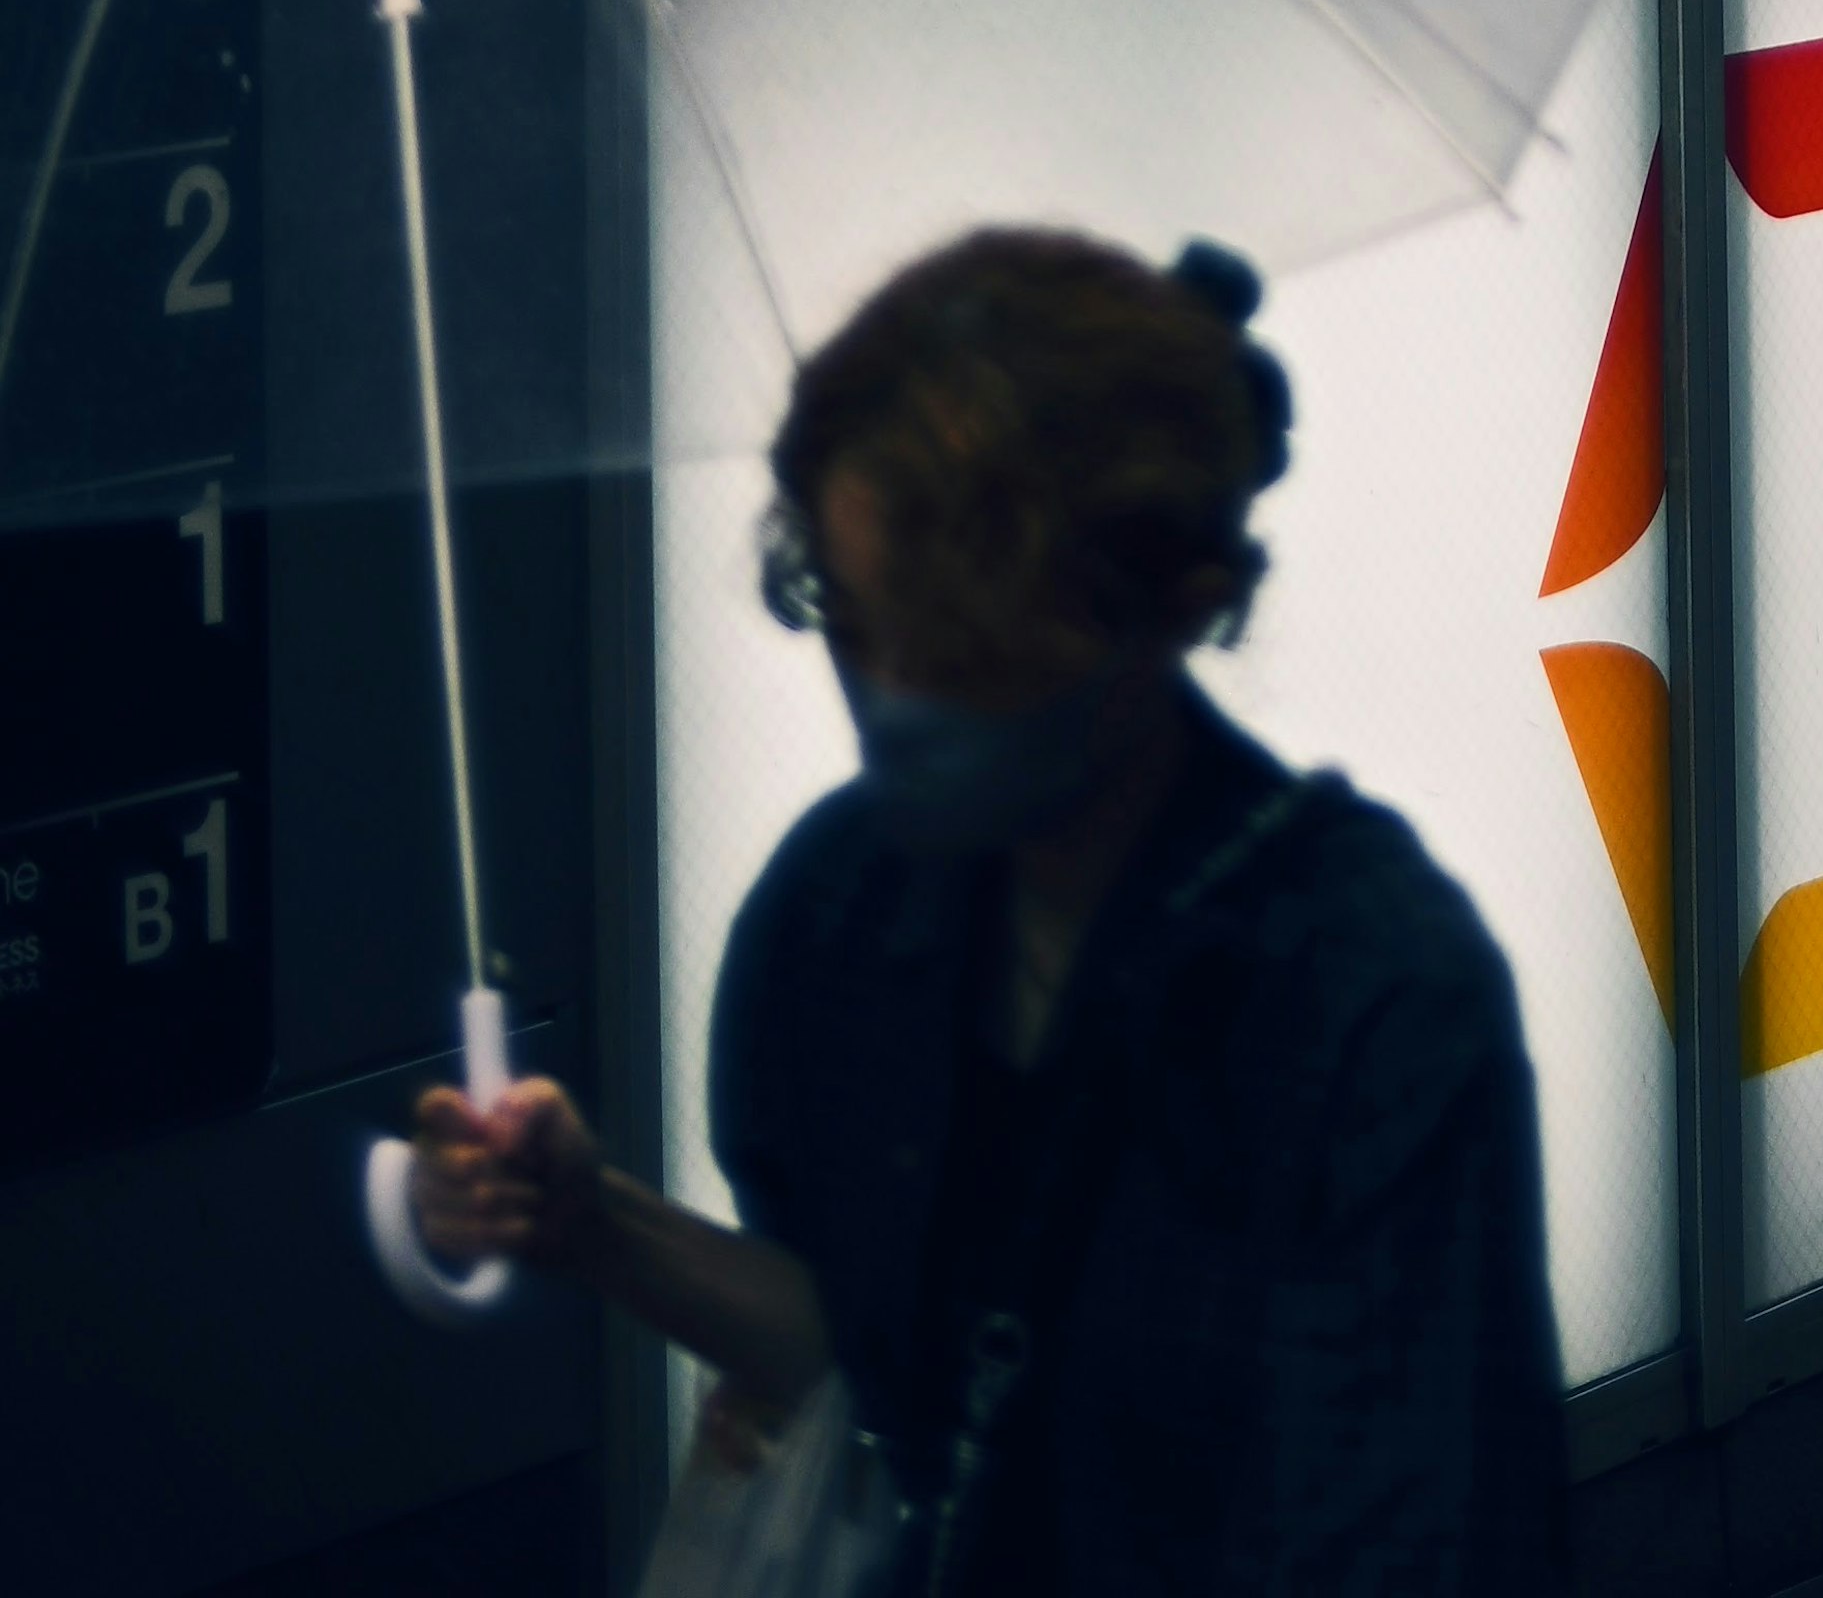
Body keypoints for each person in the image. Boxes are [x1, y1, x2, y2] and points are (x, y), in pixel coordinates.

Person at [403, 228, 1564, 1598]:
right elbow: (873, 1363)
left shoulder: (1363, 991)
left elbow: (1410, 1537)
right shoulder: (842, 910)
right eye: (847, 615)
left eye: (959, 633)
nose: (893, 695)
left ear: (1171, 611)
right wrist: (593, 1224)